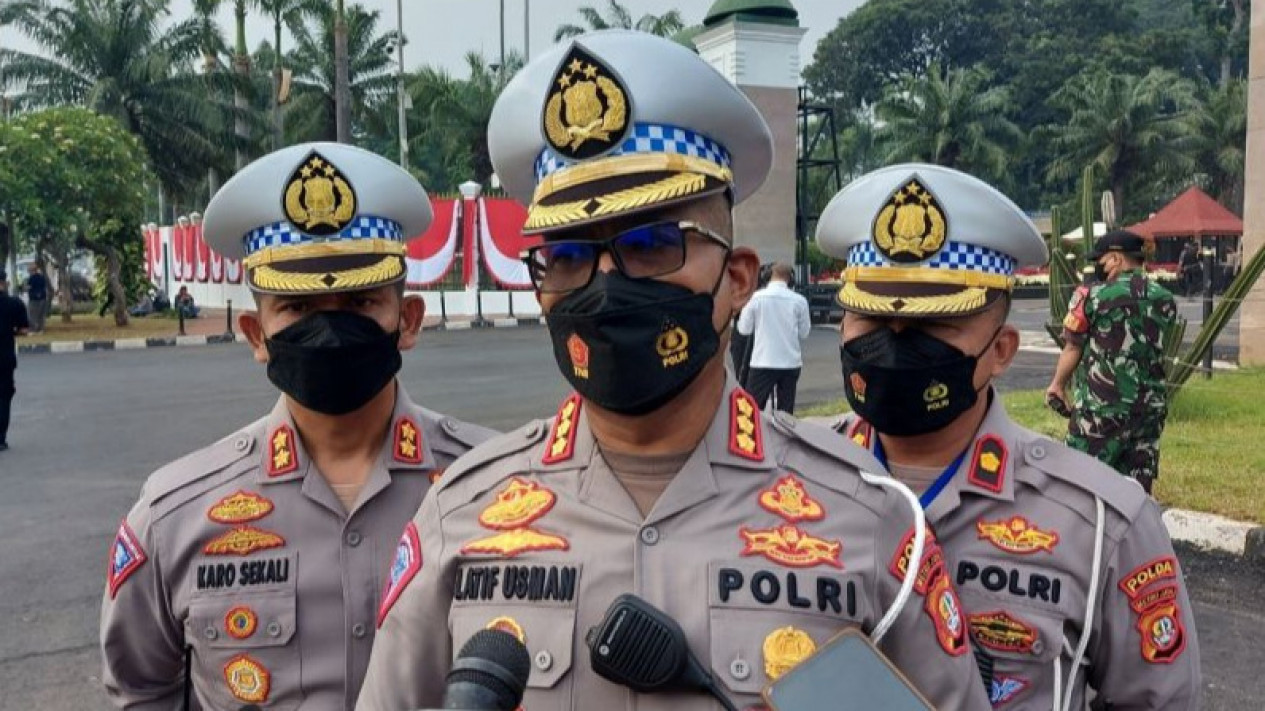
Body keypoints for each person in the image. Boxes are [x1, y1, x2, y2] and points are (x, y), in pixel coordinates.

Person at [358, 32, 990, 711]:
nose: (604, 284)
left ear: (736, 277)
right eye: (568, 255)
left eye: (650, 244)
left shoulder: (866, 516)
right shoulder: (461, 512)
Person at [100, 143, 497, 709]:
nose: (330, 331)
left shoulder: (492, 489)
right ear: (256, 334)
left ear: (407, 322)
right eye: (299, 308)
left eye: (360, 302)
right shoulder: (174, 520)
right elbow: (141, 690)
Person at [820, 165, 1199, 710]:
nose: (895, 343)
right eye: (871, 318)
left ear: (1000, 350)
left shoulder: (1103, 525)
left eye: (932, 325)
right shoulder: (783, 482)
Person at [1048, 230, 1178, 495]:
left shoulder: (1091, 296)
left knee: (1079, 488)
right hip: (1149, 410)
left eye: (1103, 260)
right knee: (1136, 494)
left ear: (1117, 258)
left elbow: (1073, 345)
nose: (1100, 267)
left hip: (1102, 408)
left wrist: (1057, 385)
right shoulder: (1165, 299)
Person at [737, 262, 811, 413]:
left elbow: (743, 330)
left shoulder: (756, 298)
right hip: (790, 363)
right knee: (786, 413)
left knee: (752, 411)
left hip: (762, 361)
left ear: (767, 277)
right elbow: (805, 333)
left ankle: (757, 437)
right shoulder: (799, 301)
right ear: (790, 280)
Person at [0, 270, 31, 452]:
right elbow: (24, 330)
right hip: (5, 357)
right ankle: (1, 439)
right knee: (3, 397)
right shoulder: (14, 304)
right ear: (5, 283)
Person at [23, 262, 49, 333]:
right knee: (41, 315)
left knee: (32, 315)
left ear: (31, 270)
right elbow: (44, 287)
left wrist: (24, 287)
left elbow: (28, 287)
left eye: (29, 270)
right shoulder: (41, 277)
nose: (28, 271)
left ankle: (33, 329)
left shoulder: (31, 278)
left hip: (34, 299)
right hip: (43, 298)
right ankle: (41, 329)